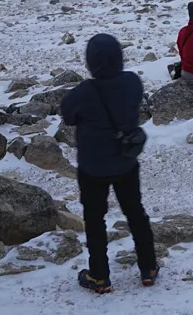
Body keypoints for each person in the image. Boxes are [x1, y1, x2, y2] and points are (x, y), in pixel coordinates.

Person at [61, 32, 157, 294]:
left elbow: (68, 115)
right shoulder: (131, 82)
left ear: (90, 62)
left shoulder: (84, 92)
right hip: (125, 162)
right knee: (135, 212)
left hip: (92, 167)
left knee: (94, 219)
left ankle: (100, 276)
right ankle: (148, 267)